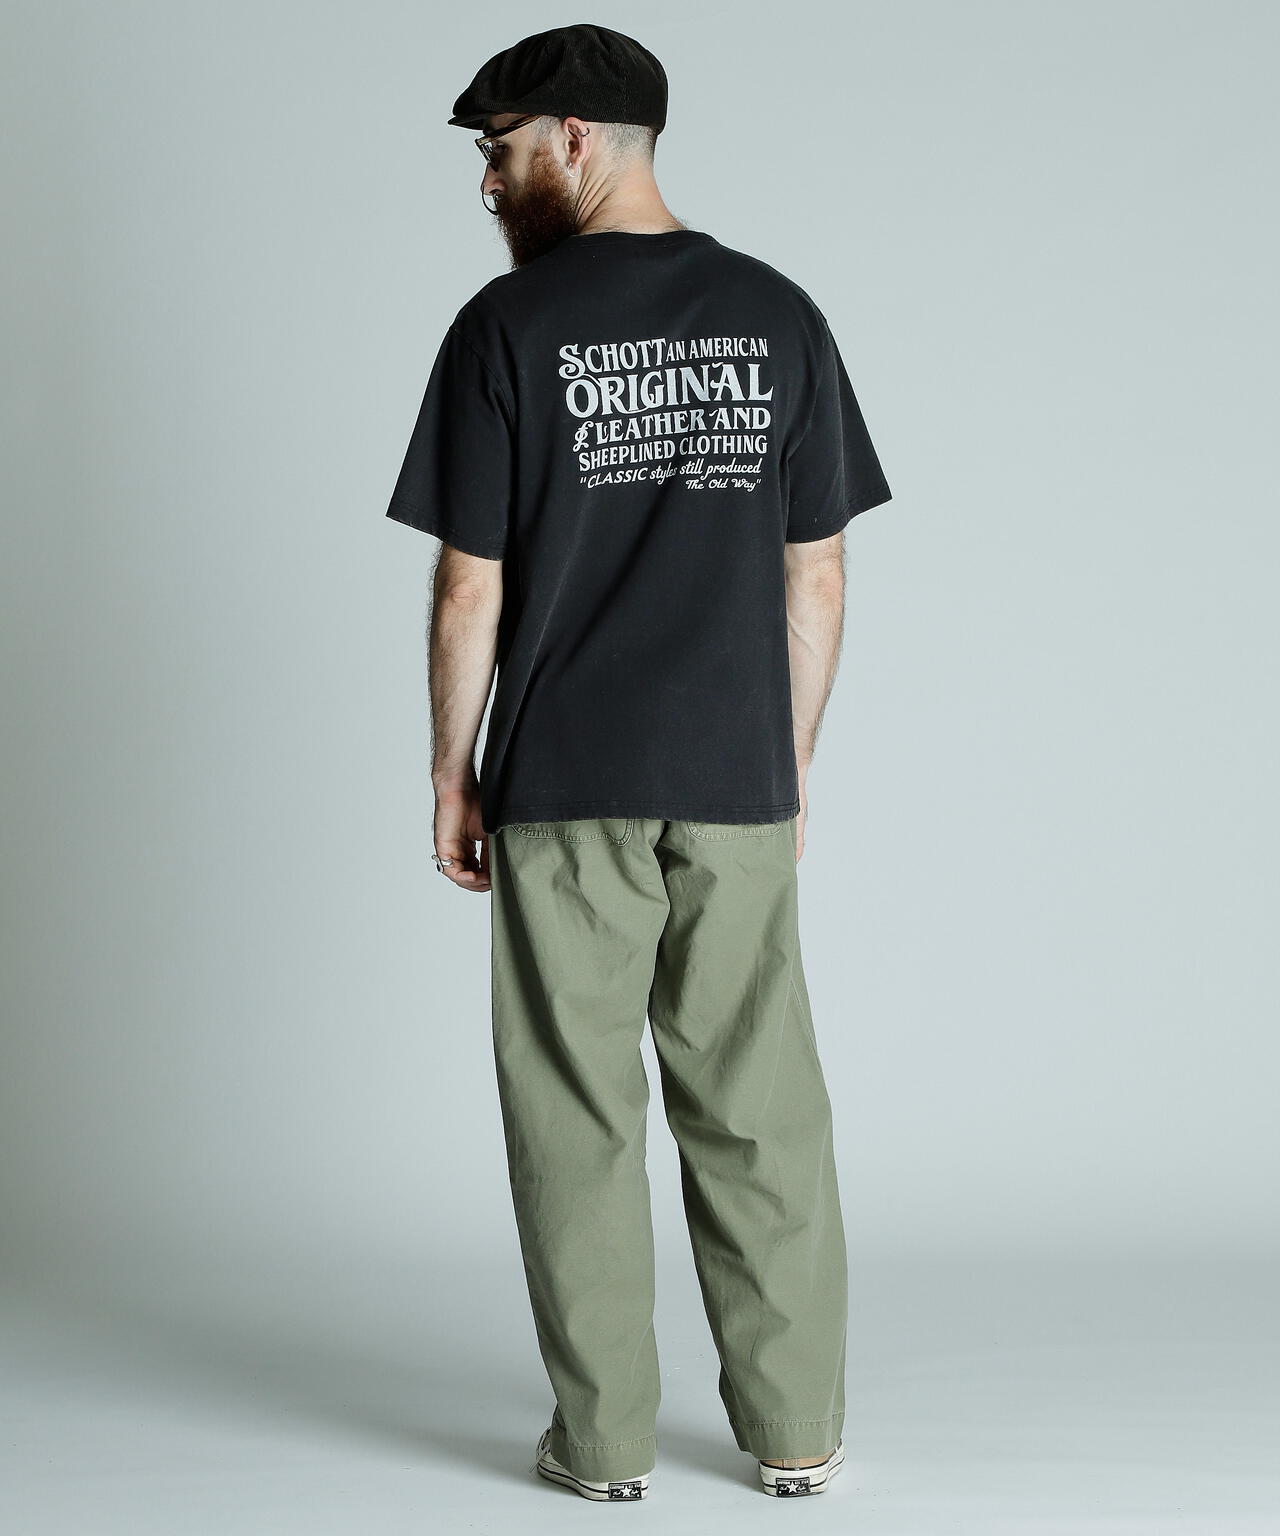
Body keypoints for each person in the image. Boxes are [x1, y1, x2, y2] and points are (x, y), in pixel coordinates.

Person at [384, 23, 892, 1502]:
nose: (488, 182)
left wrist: (451, 771)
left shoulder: (507, 330)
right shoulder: (780, 315)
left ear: (573, 139)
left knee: (575, 1115)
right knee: (759, 1103)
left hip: (564, 780)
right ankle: (796, 1434)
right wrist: (786, 763)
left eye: (499, 148)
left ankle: (603, 1448)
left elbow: (468, 585)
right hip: (735, 780)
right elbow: (818, 572)